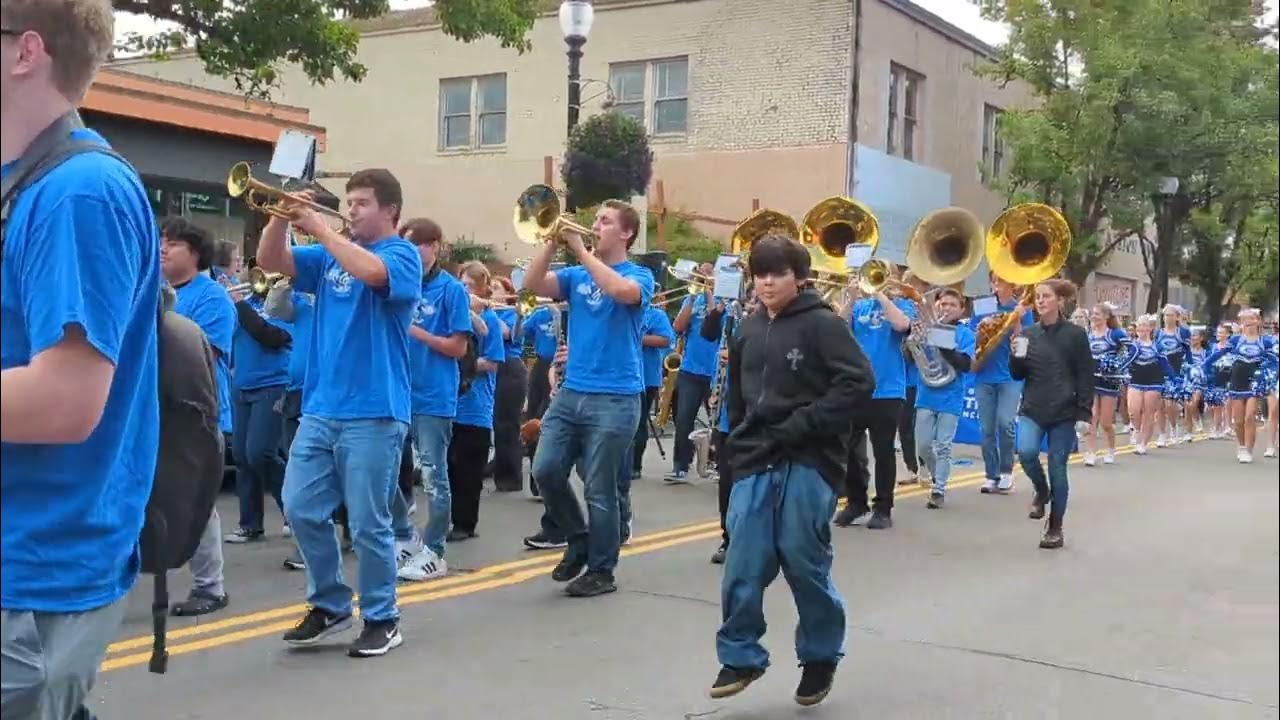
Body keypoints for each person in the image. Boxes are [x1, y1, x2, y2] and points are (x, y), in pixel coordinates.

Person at [1, 2, 159, 714]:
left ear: (25, 52)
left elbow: (64, 401)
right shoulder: (30, 183)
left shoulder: (78, 192)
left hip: (31, 575)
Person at [256, 169, 422, 658]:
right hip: (321, 407)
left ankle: (382, 617)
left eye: (362, 203)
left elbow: (373, 274)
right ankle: (330, 603)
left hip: (375, 410)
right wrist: (281, 218)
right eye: (348, 202)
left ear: (391, 210)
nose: (351, 211)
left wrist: (319, 227)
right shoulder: (330, 256)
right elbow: (271, 261)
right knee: (300, 507)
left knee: (368, 524)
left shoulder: (402, 255)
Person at [711, 235, 873, 706]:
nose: (766, 282)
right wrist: (735, 441)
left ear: (799, 278)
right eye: (760, 273)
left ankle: (820, 656)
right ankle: (741, 656)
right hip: (756, 455)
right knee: (743, 559)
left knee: (803, 558)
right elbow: (739, 395)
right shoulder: (748, 327)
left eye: (777, 273)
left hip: (809, 457)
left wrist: (804, 423)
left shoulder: (823, 324)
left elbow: (858, 382)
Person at [520, 199, 653, 598]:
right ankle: (578, 539)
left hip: (616, 398)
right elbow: (532, 284)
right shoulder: (576, 275)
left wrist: (579, 248)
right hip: (572, 392)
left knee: (599, 487)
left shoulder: (640, 275)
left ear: (626, 233)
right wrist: (551, 242)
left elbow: (621, 292)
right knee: (545, 469)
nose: (595, 226)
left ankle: (601, 570)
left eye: (605, 221)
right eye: (594, 219)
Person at [160, 218, 236, 617]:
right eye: (161, 241)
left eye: (173, 243)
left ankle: (211, 587)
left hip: (196, 417)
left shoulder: (213, 298)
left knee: (197, 503)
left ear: (195, 253)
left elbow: (200, 354)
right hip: (156, 413)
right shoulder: (152, 292)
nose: (163, 248)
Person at [390, 217, 471, 582]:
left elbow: (458, 348)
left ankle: (435, 551)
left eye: (415, 245)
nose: (409, 253)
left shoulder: (451, 290)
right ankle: (405, 536)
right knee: (383, 471)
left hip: (434, 396)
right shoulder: (401, 284)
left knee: (434, 477)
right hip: (397, 392)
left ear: (434, 246)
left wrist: (417, 332)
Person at [1009, 279, 1094, 549]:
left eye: (1046, 296)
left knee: (1058, 468)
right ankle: (1041, 489)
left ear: (1060, 300)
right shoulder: (1028, 334)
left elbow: (1085, 374)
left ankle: (1055, 527)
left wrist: (1084, 412)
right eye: (1037, 297)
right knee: (1026, 452)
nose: (1041, 301)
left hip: (1064, 412)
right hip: (1033, 407)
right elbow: (1017, 374)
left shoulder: (1075, 335)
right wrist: (1015, 354)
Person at [834, 267, 916, 529]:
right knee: (847, 446)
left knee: (883, 450)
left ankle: (883, 507)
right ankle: (856, 502)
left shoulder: (902, 304)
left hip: (888, 390)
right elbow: (836, 330)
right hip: (858, 388)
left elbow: (902, 325)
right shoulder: (859, 306)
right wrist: (851, 299)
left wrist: (880, 294)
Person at [226, 263, 293, 543]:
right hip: (242, 385)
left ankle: (294, 510)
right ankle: (250, 525)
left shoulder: (280, 305)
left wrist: (240, 305)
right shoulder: (242, 303)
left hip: (272, 385)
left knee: (260, 453)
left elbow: (271, 336)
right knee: (242, 456)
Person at [446, 262, 506, 541]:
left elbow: (492, 362)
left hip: (476, 406)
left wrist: (462, 363)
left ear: (482, 288)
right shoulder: (455, 316)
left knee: (469, 470)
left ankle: (465, 523)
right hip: (452, 403)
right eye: (461, 285)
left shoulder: (490, 320)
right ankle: (452, 519)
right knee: (451, 467)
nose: (464, 290)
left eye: (469, 286)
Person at [971, 273, 1034, 494]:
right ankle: (991, 475)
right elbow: (972, 338)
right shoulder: (983, 305)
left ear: (1011, 284)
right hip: (984, 374)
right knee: (986, 428)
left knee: (1006, 423)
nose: (997, 285)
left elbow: (1023, 346)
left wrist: (1016, 319)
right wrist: (982, 329)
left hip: (1009, 376)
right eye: (995, 281)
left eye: (1002, 281)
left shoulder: (1022, 309)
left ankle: (1007, 471)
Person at [912, 288, 975, 508]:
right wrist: (914, 339)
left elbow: (966, 364)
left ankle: (938, 488)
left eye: (952, 305)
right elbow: (910, 356)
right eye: (943, 304)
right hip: (926, 393)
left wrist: (942, 342)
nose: (946, 308)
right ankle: (936, 473)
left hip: (951, 394)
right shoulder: (927, 326)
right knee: (923, 446)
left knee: (944, 446)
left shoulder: (965, 334)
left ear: (961, 310)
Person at [668, 262, 722, 483]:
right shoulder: (692, 299)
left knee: (717, 422)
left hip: (715, 372)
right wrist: (691, 296)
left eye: (708, 274)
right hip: (690, 369)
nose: (704, 277)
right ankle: (680, 466)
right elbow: (678, 327)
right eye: (701, 274)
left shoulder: (724, 302)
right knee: (683, 420)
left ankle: (718, 465)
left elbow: (714, 324)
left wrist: (709, 292)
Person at [1202, 309, 1278, 464]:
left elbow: (1274, 362)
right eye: (1245, 319)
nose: (1248, 322)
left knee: (1250, 416)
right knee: (1238, 420)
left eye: (1252, 319)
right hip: (1237, 380)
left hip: (1254, 381)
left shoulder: (1265, 342)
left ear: (1258, 321)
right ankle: (1242, 446)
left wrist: (1268, 375)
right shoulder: (1236, 340)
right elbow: (1220, 353)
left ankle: (1248, 450)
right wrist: (1205, 364)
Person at [489, 275, 528, 492]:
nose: (491, 291)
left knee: (507, 423)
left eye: (496, 288)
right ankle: (495, 469)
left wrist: (487, 309)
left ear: (507, 294)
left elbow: (505, 333)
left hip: (509, 367)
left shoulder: (512, 313)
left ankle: (510, 477)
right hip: (491, 367)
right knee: (494, 423)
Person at [1083, 303, 1134, 466]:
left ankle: (1111, 450)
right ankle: (1091, 453)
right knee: (1091, 418)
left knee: (1106, 422)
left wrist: (1119, 365)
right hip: (1092, 379)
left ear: (1106, 316)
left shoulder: (1115, 334)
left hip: (1109, 380)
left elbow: (1133, 350)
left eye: (1097, 314)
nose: (1094, 316)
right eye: (1092, 313)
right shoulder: (1089, 335)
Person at [635, 289, 677, 477]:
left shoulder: (656, 315)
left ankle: (635, 466)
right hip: (621, 375)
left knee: (639, 422)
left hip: (647, 376)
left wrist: (636, 337)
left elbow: (666, 339)